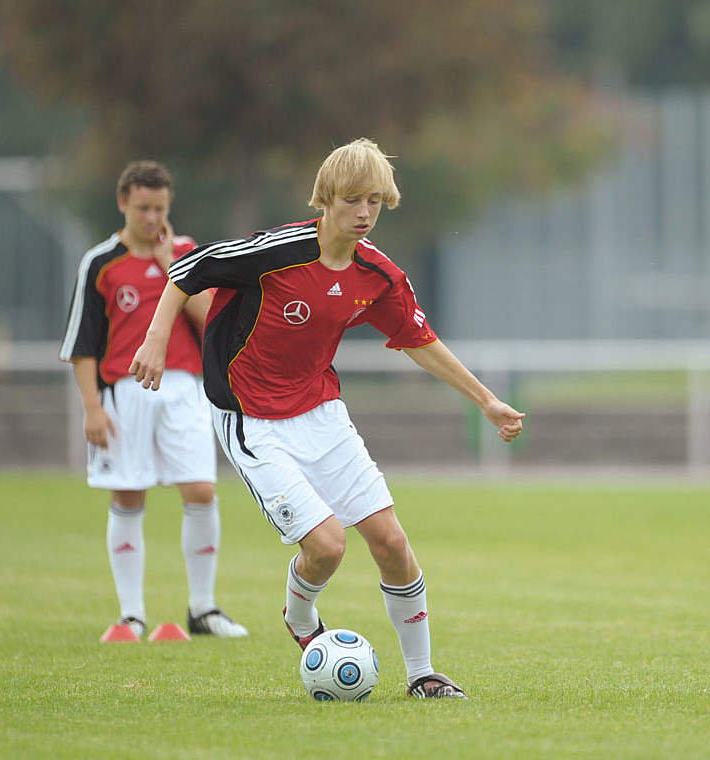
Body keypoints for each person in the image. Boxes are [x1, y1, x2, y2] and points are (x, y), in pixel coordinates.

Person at [129, 138, 524, 698]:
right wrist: (156, 338)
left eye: (375, 203)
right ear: (326, 200)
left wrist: (485, 400)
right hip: (251, 419)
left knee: (391, 541)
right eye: (353, 201)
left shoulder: (378, 275)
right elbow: (189, 269)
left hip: (321, 412)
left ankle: (422, 675)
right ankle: (300, 615)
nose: (364, 214)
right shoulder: (278, 251)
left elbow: (419, 339)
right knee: (327, 546)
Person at [59, 160, 248, 641]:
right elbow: (83, 343)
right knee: (128, 495)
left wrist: (173, 268)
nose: (150, 217)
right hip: (124, 392)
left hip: (186, 389)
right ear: (123, 203)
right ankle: (131, 615)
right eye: (142, 208)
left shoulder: (190, 254)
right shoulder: (100, 263)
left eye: (159, 208)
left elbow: (213, 322)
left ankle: (203, 609)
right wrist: (91, 408)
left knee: (202, 491)